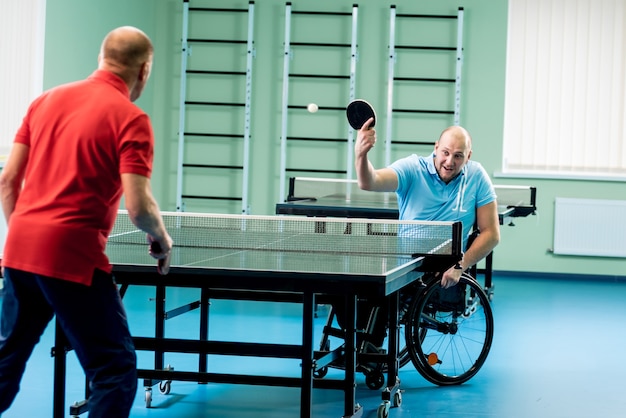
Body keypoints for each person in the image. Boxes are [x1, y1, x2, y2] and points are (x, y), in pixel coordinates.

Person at [0, 26, 173, 418]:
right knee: (114, 370)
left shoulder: (45, 101)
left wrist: (24, 239)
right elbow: (139, 204)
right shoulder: (131, 119)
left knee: (6, 362)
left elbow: (8, 181)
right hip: (72, 258)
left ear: (101, 57)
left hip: (19, 252)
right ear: (144, 69)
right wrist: (161, 238)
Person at [355, 118, 500, 288]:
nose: (449, 161)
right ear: (436, 147)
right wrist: (361, 155)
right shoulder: (412, 168)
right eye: (445, 152)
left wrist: (460, 266)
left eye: (458, 156)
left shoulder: (476, 176)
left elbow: (491, 233)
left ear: (468, 156)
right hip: (406, 265)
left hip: (446, 269)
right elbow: (370, 181)